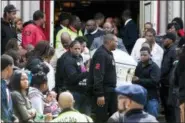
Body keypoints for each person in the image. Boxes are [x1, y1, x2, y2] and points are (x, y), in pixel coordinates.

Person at [87, 33, 118, 123]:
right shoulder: (101, 54)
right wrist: (100, 94)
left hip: (111, 90)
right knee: (102, 118)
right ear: (109, 41)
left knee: (114, 117)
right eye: (115, 41)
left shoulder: (109, 53)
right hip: (103, 92)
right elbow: (98, 75)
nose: (117, 43)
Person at [59, 41, 90, 115]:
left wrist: (86, 69)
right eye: (75, 49)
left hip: (83, 91)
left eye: (79, 49)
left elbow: (82, 71)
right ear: (70, 49)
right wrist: (87, 72)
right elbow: (73, 78)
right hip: (73, 92)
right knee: (75, 115)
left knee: (85, 116)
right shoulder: (68, 60)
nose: (77, 50)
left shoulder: (79, 57)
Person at [132, 47, 160, 117]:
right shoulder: (138, 65)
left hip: (151, 97)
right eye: (141, 55)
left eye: (145, 55)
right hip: (140, 97)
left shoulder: (154, 67)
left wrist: (139, 80)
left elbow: (154, 81)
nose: (142, 56)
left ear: (150, 55)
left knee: (151, 118)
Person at [160, 32, 177, 122]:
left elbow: (166, 68)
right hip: (165, 82)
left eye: (166, 39)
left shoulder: (172, 51)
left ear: (171, 40)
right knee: (167, 108)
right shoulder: (168, 50)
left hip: (168, 84)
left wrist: (159, 76)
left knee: (169, 107)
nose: (163, 40)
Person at [1, 54, 18, 122]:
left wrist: (13, 117)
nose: (13, 71)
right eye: (12, 68)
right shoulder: (1, 85)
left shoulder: (4, 84)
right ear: (8, 67)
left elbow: (8, 107)